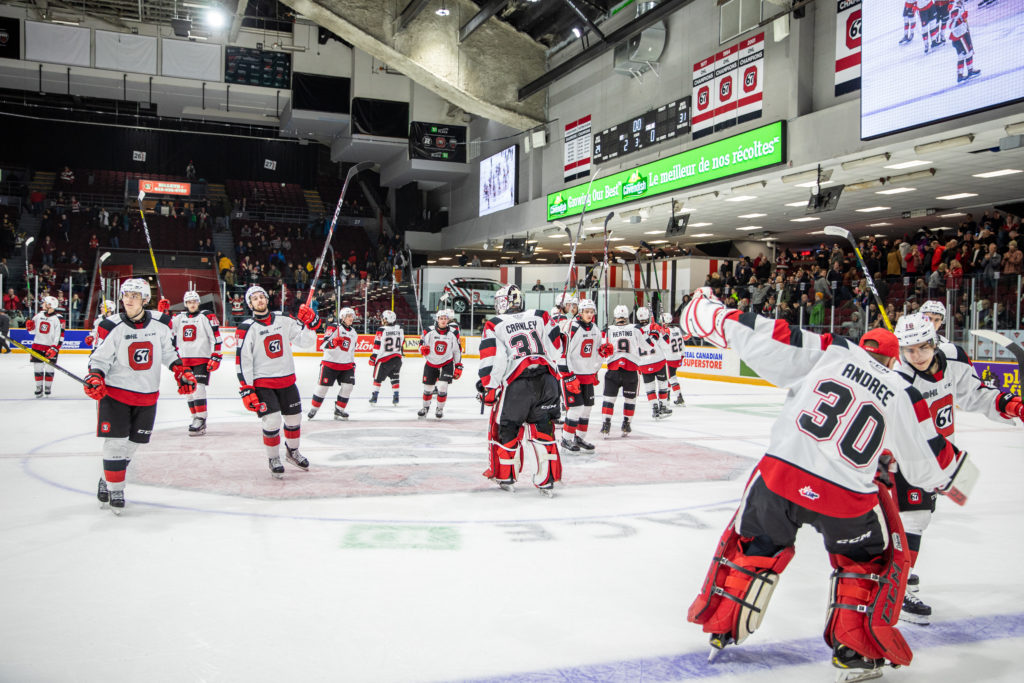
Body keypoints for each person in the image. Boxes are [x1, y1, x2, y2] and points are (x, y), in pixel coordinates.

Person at [681, 288, 968, 679]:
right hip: (845, 497)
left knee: (756, 546)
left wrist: (705, 310)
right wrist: (959, 481)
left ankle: (724, 625)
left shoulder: (835, 349)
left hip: (780, 479)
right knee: (865, 562)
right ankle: (854, 651)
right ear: (895, 357)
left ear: (862, 345)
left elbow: (769, 336)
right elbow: (928, 466)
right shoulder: (904, 390)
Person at [890, 312, 1023, 624]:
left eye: (922, 348)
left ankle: (899, 571)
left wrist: (1011, 405)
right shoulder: (897, 377)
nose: (915, 356)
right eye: (908, 350)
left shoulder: (955, 359)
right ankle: (895, 589)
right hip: (906, 453)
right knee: (914, 518)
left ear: (935, 342)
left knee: (917, 519)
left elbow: (974, 395)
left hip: (937, 451)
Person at [83, 279, 197, 514]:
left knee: (132, 446)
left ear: (145, 299)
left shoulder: (161, 323)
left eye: (135, 295)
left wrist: (180, 369)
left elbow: (168, 351)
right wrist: (95, 375)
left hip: (147, 395)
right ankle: (117, 489)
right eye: (126, 295)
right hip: (116, 393)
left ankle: (107, 479)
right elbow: (99, 358)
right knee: (116, 443)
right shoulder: (110, 325)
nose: (129, 299)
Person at [477, 284, 564, 495]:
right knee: (544, 429)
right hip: (547, 382)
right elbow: (557, 350)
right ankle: (547, 479)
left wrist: (488, 386)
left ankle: (506, 476)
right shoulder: (541, 315)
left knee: (508, 428)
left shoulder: (494, 323)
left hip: (517, 385)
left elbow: (494, 359)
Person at [235, 285, 319, 477]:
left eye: (261, 296)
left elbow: (306, 342)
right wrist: (247, 389)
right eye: (254, 298)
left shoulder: (283, 318)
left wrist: (311, 325)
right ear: (250, 304)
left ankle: (293, 452)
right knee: (271, 422)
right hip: (263, 383)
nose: (259, 300)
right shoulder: (246, 328)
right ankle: (273, 458)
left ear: (267, 299)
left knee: (294, 419)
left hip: (287, 380)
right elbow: (243, 361)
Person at [171, 291, 223, 436]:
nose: (192, 304)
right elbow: (166, 328)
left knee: (198, 388)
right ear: (185, 304)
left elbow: (216, 337)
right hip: (184, 360)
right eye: (189, 302)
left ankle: (201, 418)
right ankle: (195, 417)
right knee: (188, 391)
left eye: (194, 301)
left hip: (201, 359)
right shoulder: (179, 318)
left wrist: (216, 355)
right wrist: (162, 313)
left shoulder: (205, 316)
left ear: (198, 302)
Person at [599, 304, 654, 437]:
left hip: (613, 369)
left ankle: (606, 424)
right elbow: (648, 346)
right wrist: (654, 334)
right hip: (631, 369)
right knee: (630, 400)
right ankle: (626, 424)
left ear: (615, 316)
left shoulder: (608, 329)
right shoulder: (635, 328)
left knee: (609, 399)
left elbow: (600, 349)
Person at [558, 298, 602, 452]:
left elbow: (596, 352)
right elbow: (563, 353)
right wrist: (568, 375)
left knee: (587, 408)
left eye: (592, 312)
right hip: (573, 375)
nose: (589, 315)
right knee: (576, 408)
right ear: (581, 312)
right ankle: (566, 439)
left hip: (587, 374)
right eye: (587, 312)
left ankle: (580, 437)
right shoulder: (572, 327)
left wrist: (603, 353)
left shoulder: (595, 329)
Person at [308, 306, 359, 421]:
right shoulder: (333, 328)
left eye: (352, 316)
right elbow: (322, 345)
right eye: (349, 316)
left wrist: (352, 363)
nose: (351, 318)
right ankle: (314, 408)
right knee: (322, 388)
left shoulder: (354, 333)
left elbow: (352, 350)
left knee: (348, 387)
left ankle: (339, 409)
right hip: (330, 364)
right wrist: (333, 342)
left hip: (346, 365)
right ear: (342, 317)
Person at [417, 309, 463, 419]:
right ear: (437, 319)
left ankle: (439, 408)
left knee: (442, 387)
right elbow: (421, 346)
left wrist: (458, 365)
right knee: (428, 388)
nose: (443, 320)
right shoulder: (428, 331)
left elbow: (457, 350)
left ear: (448, 320)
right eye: (441, 318)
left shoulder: (454, 332)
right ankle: (425, 407)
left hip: (446, 363)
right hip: (431, 363)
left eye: (445, 318)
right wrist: (422, 349)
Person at [635, 306, 672, 420]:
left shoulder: (634, 330)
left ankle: (654, 408)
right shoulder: (654, 327)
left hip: (643, 364)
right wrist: (664, 333)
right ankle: (663, 406)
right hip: (658, 361)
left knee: (649, 388)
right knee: (662, 385)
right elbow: (666, 345)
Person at [26, 296, 65, 397]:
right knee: (37, 367)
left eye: (44, 302)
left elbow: (59, 336)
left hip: (50, 347)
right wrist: (29, 327)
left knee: (49, 368)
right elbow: (32, 332)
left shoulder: (58, 318)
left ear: (50, 305)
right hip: (37, 346)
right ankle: (38, 387)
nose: (42, 304)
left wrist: (55, 348)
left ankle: (48, 387)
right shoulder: (38, 315)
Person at [368, 310, 405, 406]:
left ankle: (374, 396)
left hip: (384, 359)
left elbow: (377, 345)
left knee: (377, 379)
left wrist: (373, 357)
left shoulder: (381, 329)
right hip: (397, 359)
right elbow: (402, 342)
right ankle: (396, 396)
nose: (382, 319)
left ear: (386, 319)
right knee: (395, 378)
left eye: (383, 318)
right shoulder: (400, 328)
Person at [659, 311, 687, 406]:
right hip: (677, 357)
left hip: (669, 358)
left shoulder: (665, 331)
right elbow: (683, 344)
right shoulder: (677, 329)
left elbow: (663, 345)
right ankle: (667, 397)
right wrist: (682, 355)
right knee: (668, 377)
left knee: (671, 378)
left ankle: (679, 397)